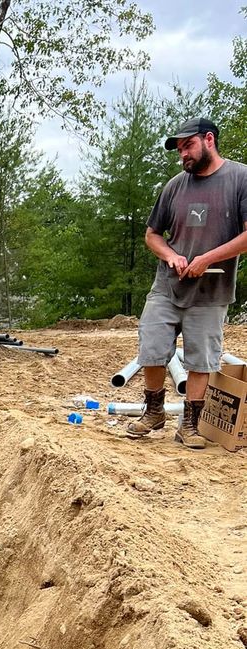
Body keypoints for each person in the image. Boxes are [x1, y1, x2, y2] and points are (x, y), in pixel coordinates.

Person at [129, 117, 247, 448]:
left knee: (201, 358)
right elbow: (152, 235)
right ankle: (153, 412)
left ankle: (190, 425)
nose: (183, 154)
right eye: (180, 149)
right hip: (168, 285)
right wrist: (170, 256)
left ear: (209, 139)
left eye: (188, 145)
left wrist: (208, 258)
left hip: (211, 291)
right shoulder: (174, 185)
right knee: (151, 346)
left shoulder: (240, 178)